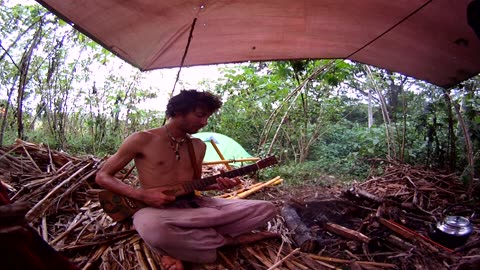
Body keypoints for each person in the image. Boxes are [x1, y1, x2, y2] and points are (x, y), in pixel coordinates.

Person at [95, 89, 277, 270]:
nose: (204, 122)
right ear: (179, 111)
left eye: (207, 117)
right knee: (154, 229)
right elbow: (102, 176)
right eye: (199, 115)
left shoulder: (197, 146)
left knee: (265, 208)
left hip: (195, 206)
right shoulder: (142, 139)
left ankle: (193, 240)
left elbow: (196, 183)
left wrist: (219, 185)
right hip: (157, 211)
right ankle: (221, 239)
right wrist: (141, 195)